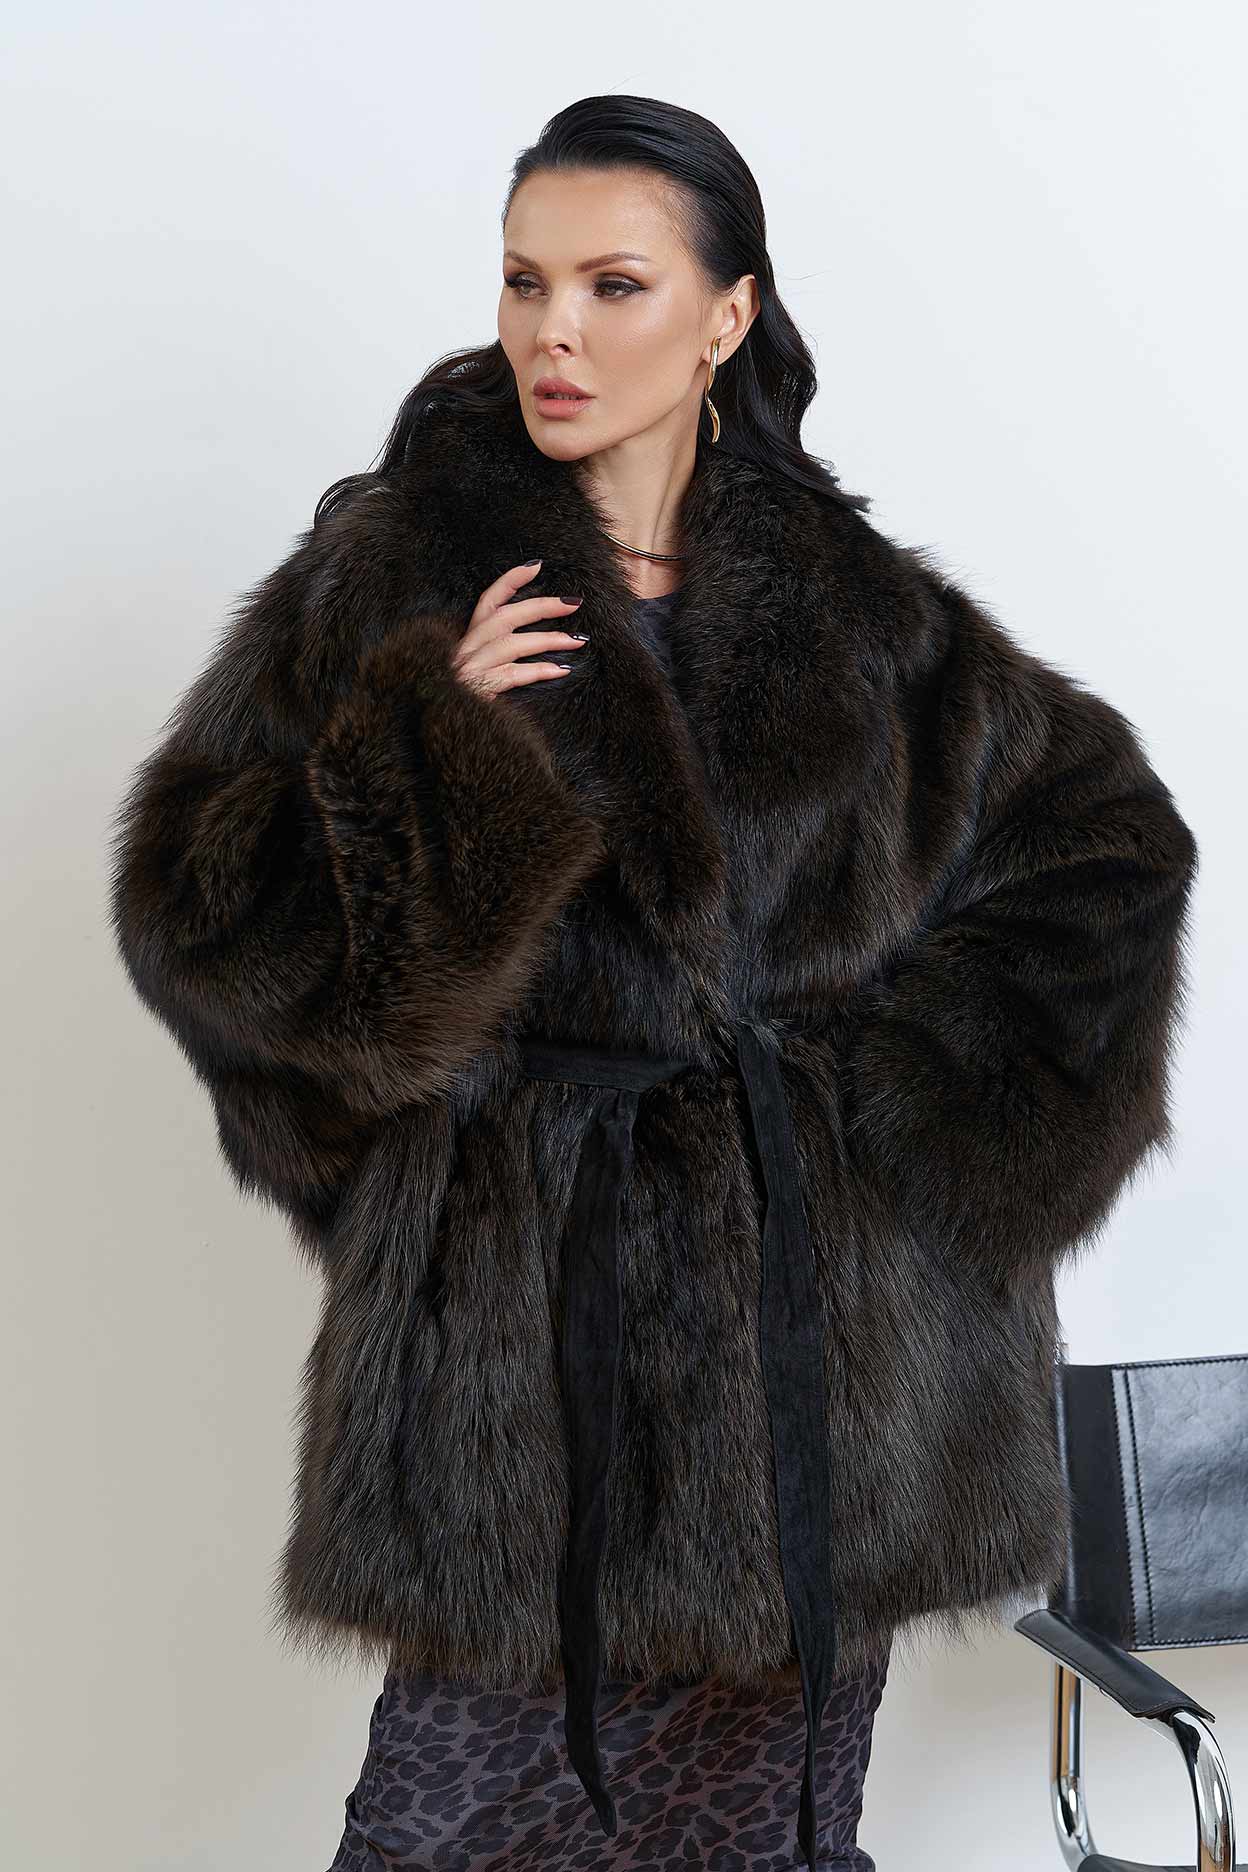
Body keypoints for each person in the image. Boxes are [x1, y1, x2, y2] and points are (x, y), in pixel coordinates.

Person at [107, 94, 1199, 1871]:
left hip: (812, 1373)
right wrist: (432, 750)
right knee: (441, 1834)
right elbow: (208, 930)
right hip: (525, 1358)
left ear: (726, 316)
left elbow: (1106, 847)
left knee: (770, 1840)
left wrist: (911, 1143)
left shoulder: (868, 615)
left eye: (613, 285)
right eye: (525, 281)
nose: (553, 330)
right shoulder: (393, 579)